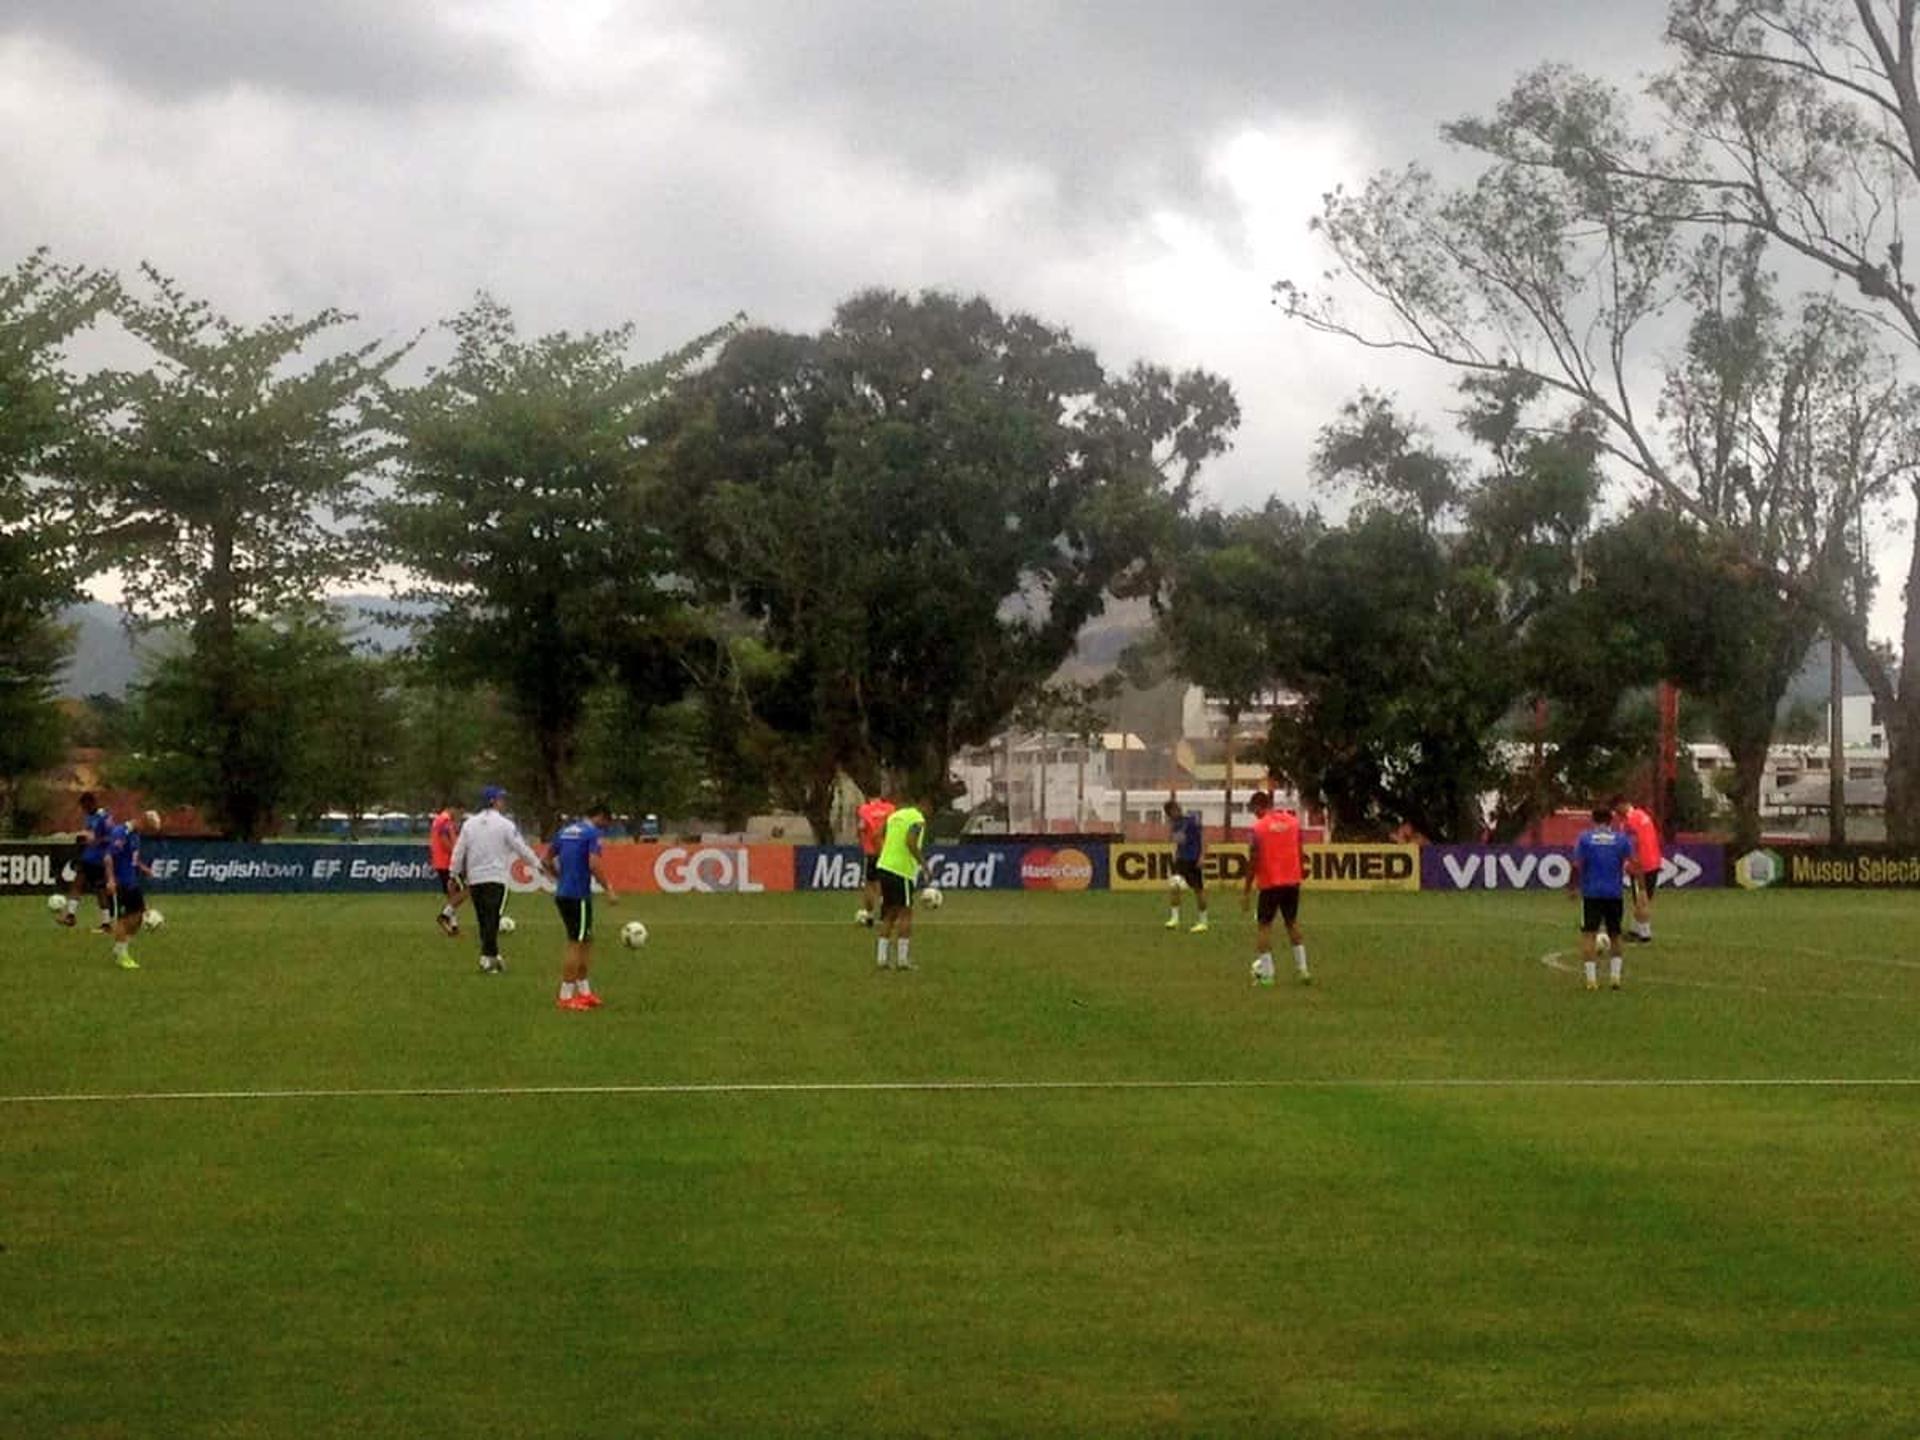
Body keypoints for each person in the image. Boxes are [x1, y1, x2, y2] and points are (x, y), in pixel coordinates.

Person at [449, 786, 543, 975]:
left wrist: (454, 873)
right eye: (501, 799)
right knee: (492, 919)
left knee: (484, 918)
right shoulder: (505, 824)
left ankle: (493, 956)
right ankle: (487, 957)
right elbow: (520, 847)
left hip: (475, 878)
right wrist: (537, 864)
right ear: (493, 801)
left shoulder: (470, 824)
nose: (503, 802)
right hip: (495, 877)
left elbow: (459, 850)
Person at [545, 801, 621, 1011]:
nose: (605, 828)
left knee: (586, 940)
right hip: (578, 895)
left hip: (563, 894)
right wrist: (608, 889)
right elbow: (594, 863)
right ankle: (566, 996)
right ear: (600, 817)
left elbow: (546, 860)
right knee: (576, 942)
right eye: (606, 823)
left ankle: (585, 991)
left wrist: (560, 879)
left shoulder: (565, 831)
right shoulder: (590, 834)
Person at [1241, 791, 1310, 986]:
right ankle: (1303, 970)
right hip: (1292, 881)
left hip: (1270, 882)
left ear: (1258, 807)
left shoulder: (1258, 829)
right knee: (1292, 923)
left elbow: (1253, 860)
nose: (1253, 814)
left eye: (1253, 809)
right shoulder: (1293, 822)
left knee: (1264, 927)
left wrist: (1246, 889)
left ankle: (1268, 975)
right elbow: (1300, 851)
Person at [1570, 803, 1639, 991]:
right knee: (1616, 935)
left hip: (1591, 893)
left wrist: (1573, 887)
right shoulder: (1621, 839)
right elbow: (1635, 864)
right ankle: (1615, 978)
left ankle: (1591, 981)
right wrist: (1639, 890)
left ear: (1593, 820)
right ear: (1611, 820)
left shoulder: (1585, 838)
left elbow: (1577, 865)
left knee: (1589, 935)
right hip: (1614, 893)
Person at [874, 795, 928, 972]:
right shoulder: (917, 818)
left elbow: (876, 835)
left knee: (889, 913)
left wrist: (887, 853)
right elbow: (911, 842)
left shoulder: (894, 816)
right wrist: (924, 864)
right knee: (906, 913)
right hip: (901, 870)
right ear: (923, 804)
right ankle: (903, 961)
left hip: (884, 866)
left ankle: (882, 960)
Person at [103, 810, 157, 971]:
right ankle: (122, 956)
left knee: (138, 917)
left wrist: (143, 868)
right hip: (121, 883)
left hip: (132, 882)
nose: (147, 832)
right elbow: (108, 857)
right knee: (124, 919)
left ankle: (119, 948)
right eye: (148, 828)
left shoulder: (136, 835)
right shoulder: (121, 832)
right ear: (143, 821)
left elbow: (132, 858)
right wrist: (111, 880)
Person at [58, 791, 113, 932]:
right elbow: (89, 833)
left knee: (101, 891)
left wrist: (94, 840)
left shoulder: (104, 817)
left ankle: (106, 923)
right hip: (87, 857)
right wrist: (82, 838)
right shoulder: (89, 817)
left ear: (92, 803)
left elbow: (110, 838)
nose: (84, 810)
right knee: (77, 883)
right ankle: (70, 916)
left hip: (99, 859)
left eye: (86, 807)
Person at [1612, 794, 1662, 943]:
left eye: (1616, 809)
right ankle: (1635, 930)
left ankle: (1645, 932)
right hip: (1653, 861)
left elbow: (1632, 843)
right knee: (1642, 897)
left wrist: (1629, 863)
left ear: (1622, 804)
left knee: (1641, 897)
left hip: (1640, 865)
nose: (1616, 813)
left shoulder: (1629, 821)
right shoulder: (1642, 815)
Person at [1163, 798, 1209, 933]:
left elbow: (1203, 838)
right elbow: (1179, 842)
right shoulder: (1174, 824)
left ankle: (1203, 921)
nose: (1174, 813)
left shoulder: (1191, 821)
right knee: (1174, 886)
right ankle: (1174, 919)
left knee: (1198, 891)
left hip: (1193, 859)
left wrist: (1202, 856)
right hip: (1181, 859)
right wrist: (1176, 853)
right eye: (1170, 813)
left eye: (1175, 810)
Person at [855, 790, 897, 926]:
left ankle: (869, 915)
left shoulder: (864, 809)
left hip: (871, 852)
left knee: (869, 884)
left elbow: (861, 827)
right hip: (887, 852)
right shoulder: (890, 808)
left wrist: (862, 838)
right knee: (885, 883)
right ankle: (885, 913)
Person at [428, 801, 468, 937]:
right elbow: (444, 840)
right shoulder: (444, 820)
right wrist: (457, 855)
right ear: (453, 809)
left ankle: (453, 926)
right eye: (460, 813)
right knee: (466, 890)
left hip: (442, 862)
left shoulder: (440, 820)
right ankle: (445, 917)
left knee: (452, 894)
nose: (460, 816)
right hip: (447, 863)